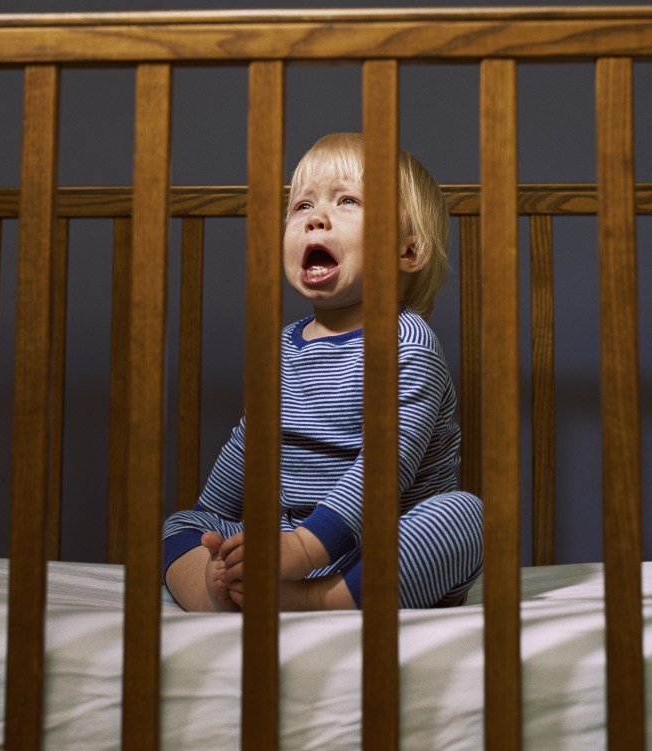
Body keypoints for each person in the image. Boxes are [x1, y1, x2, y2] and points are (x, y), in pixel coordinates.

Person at [163, 132, 483, 612]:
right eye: (300, 206)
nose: (315, 218)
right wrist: (215, 515)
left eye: (348, 200)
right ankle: (219, 596)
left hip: (386, 549)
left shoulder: (406, 343)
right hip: (288, 544)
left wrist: (303, 550)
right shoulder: (283, 347)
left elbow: (383, 465)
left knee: (464, 517)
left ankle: (316, 601)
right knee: (180, 525)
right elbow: (255, 438)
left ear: (408, 253)